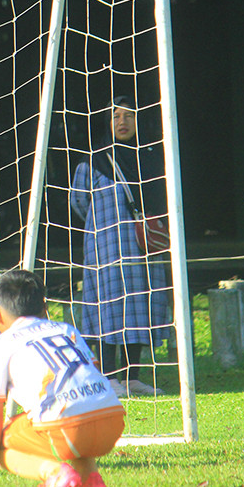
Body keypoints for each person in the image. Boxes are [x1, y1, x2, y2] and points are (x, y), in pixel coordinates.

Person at [0, 268, 124, 487]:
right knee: (74, 421)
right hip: (112, 421)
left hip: (65, 429)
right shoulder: (67, 330)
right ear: (45, 308)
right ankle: (91, 480)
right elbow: (93, 372)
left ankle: (54, 474)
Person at [70, 97, 171, 397]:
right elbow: (78, 201)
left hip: (144, 248)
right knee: (109, 307)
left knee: (141, 305)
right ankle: (109, 376)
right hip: (108, 248)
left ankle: (132, 376)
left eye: (129, 116)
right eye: (115, 116)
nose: (123, 122)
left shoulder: (153, 156)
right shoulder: (94, 160)